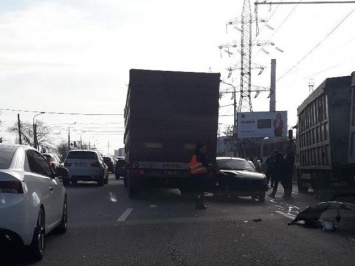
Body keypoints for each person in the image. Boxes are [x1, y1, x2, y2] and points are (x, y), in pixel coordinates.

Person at [189, 143, 209, 209]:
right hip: (200, 175)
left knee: (196, 191)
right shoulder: (201, 156)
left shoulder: (194, 156)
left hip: (194, 175)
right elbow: (204, 164)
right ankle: (200, 204)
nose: (205, 149)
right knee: (201, 191)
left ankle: (197, 204)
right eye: (203, 148)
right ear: (200, 149)